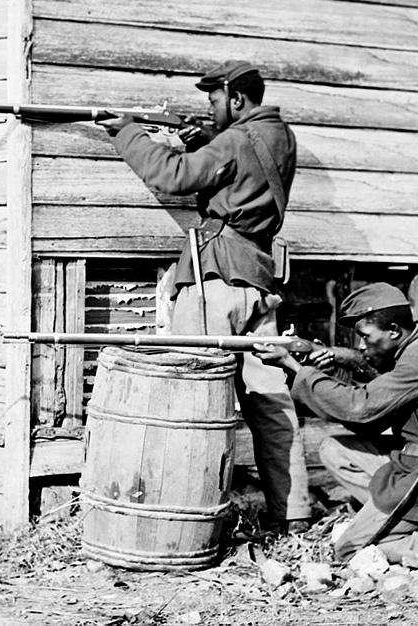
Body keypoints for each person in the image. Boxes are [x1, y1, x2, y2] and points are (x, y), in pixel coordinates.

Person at [96, 60, 312, 529]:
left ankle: (186, 520)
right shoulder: (279, 135)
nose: (211, 109)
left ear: (237, 99)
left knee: (194, 399)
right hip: (259, 281)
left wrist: (129, 133)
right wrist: (206, 142)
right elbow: (242, 175)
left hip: (216, 281)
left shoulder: (233, 140)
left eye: (215, 101)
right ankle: (293, 516)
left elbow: (171, 176)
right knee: (271, 402)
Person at [254, 282, 418, 562]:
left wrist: (295, 368)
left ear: (393, 331)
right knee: (335, 449)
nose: (361, 345)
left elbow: (360, 408)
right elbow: (370, 416)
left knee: (348, 549)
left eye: (366, 337)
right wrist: (332, 361)